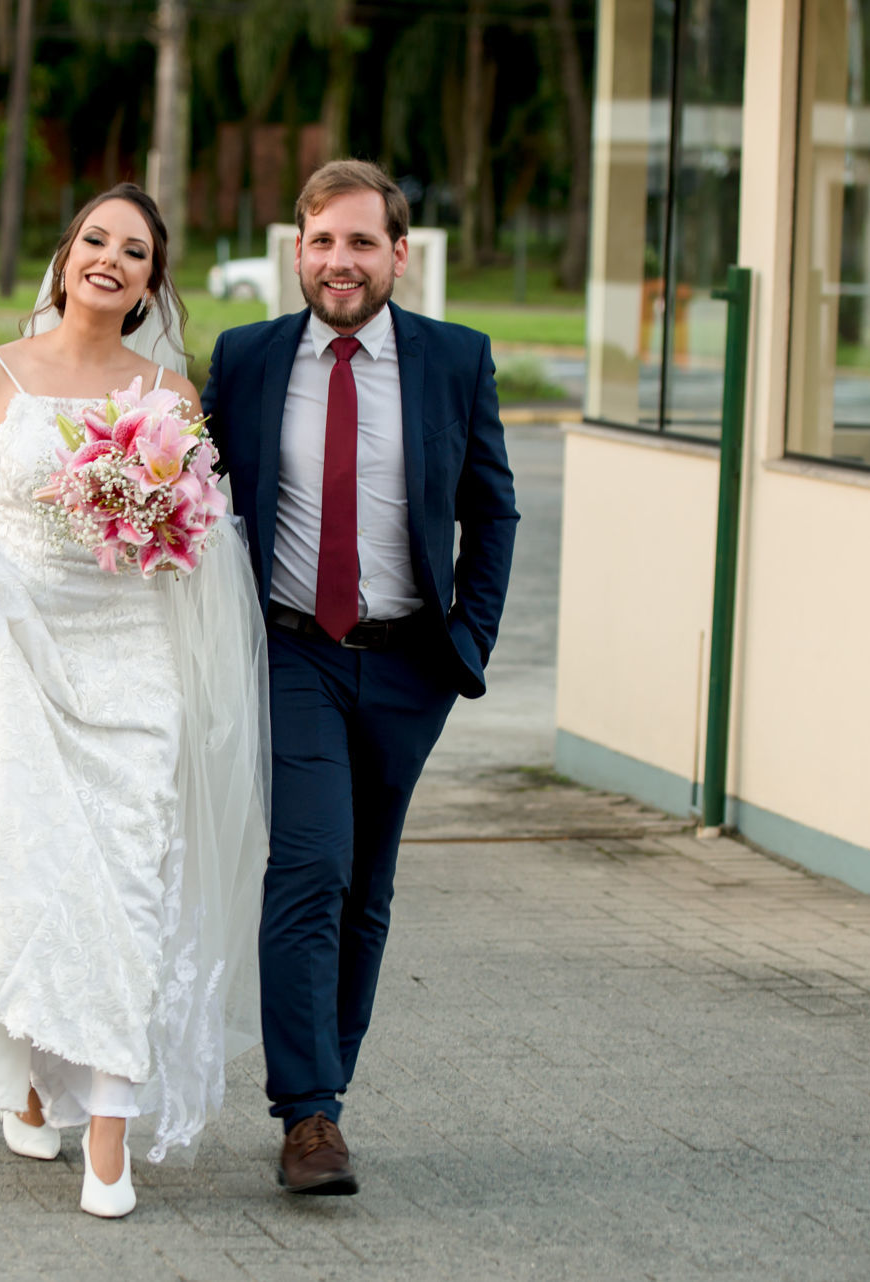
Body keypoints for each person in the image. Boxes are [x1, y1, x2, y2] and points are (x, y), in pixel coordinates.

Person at [0, 184, 269, 1220]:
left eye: (137, 251)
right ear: (67, 255)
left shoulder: (168, 390)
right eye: (97, 240)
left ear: (154, 282)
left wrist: (167, 520)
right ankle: (26, 1077)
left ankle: (108, 1133)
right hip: (20, 644)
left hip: (133, 660)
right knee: (31, 876)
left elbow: (197, 528)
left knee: (125, 886)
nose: (112, 259)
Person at [200, 159, 519, 1195]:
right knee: (309, 864)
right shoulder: (247, 359)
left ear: (399, 254)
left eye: (361, 242)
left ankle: (325, 1081)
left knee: (367, 884)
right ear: (299, 250)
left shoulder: (454, 360)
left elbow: (493, 506)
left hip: (409, 662)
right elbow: (180, 495)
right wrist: (40, 537)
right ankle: (310, 1116)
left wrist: (467, 639)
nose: (341, 261)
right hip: (292, 648)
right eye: (322, 241)